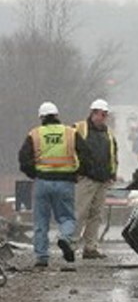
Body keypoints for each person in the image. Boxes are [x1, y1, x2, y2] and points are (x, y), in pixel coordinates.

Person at [18, 102, 92, 267]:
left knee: (40, 221)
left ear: (41, 117)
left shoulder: (35, 134)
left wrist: (34, 173)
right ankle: (64, 238)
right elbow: (86, 154)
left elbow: (23, 159)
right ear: (57, 116)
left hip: (42, 182)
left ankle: (42, 258)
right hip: (65, 182)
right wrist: (78, 173)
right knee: (66, 218)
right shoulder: (70, 133)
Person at [74, 99, 119, 259]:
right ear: (93, 113)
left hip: (102, 179)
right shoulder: (79, 128)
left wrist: (112, 174)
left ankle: (90, 247)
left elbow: (113, 154)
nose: (104, 118)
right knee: (80, 212)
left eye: (106, 115)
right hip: (86, 178)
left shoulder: (108, 133)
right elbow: (70, 150)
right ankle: (71, 245)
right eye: (102, 114)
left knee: (96, 214)